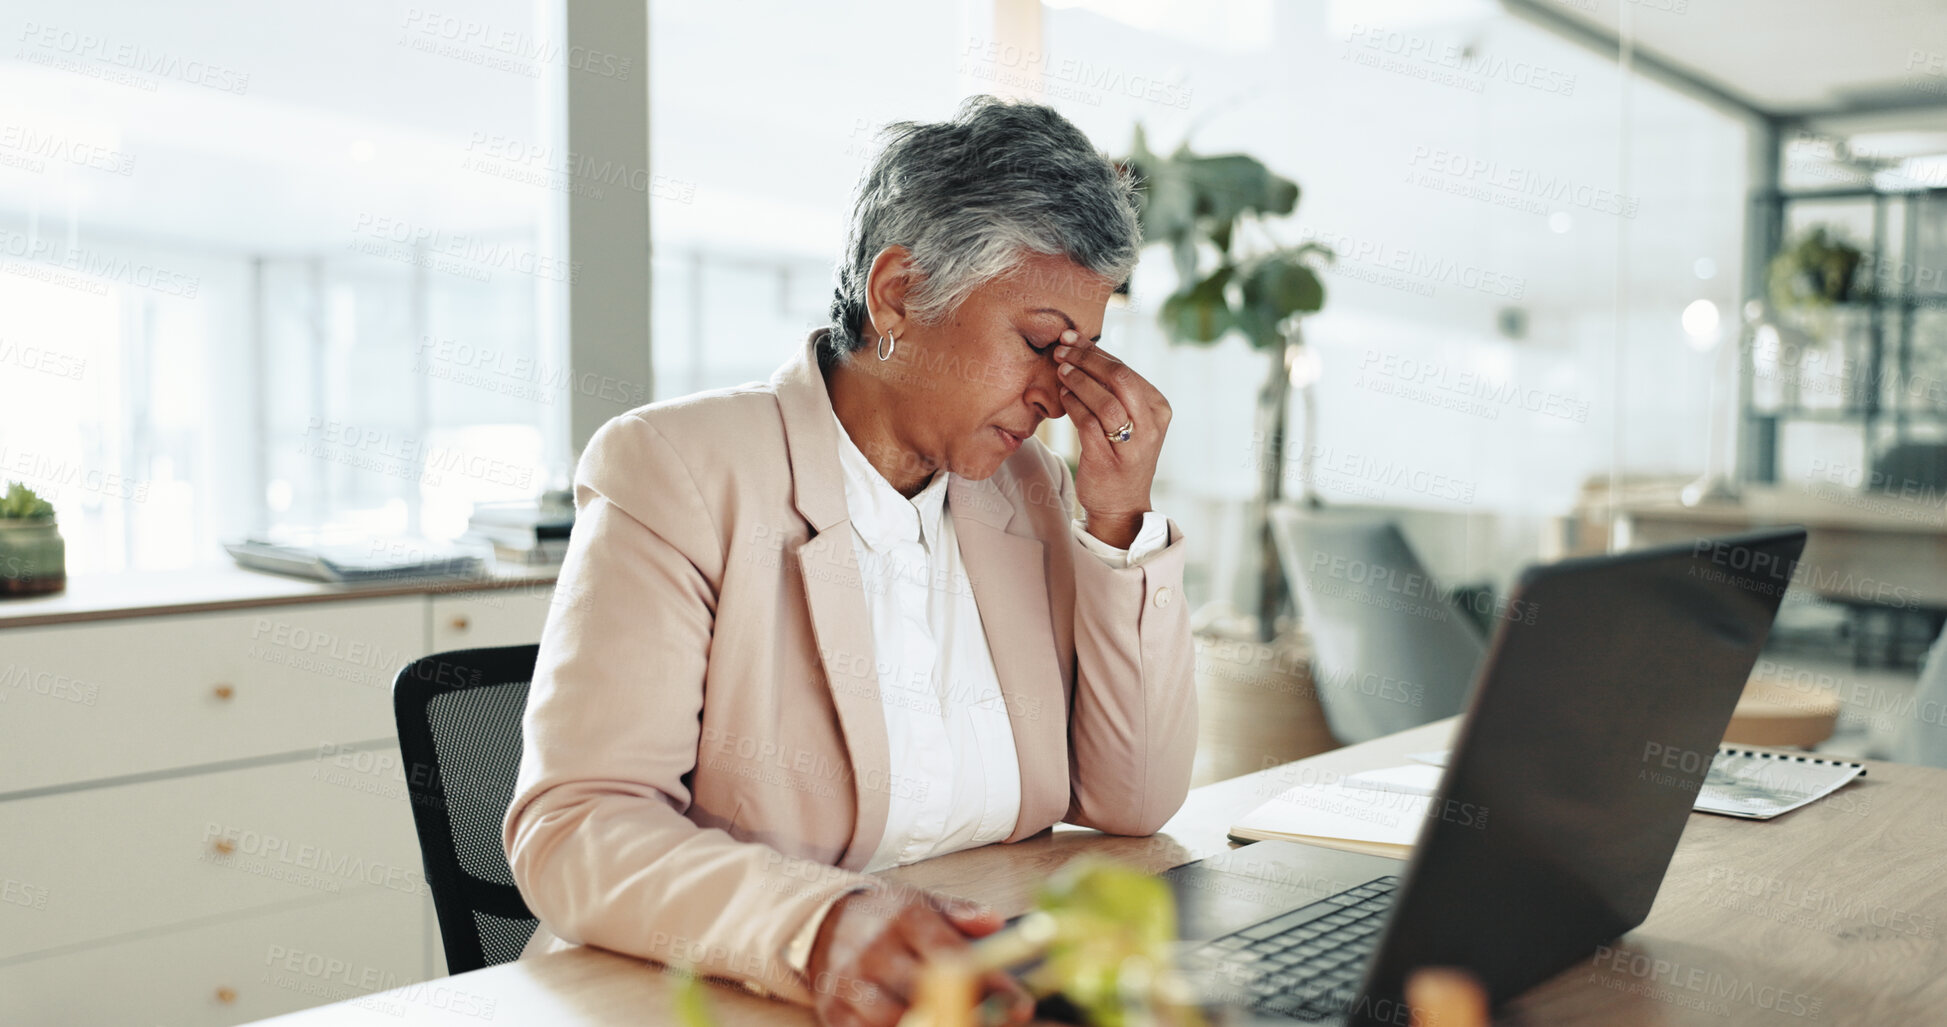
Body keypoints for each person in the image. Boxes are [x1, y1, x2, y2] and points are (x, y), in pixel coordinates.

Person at [503, 96, 1197, 1027]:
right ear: (898, 293)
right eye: (1037, 342)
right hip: (731, 995)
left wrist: (1118, 518)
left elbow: (1133, 799)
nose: (1056, 396)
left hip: (977, 986)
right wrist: (818, 920)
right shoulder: (679, 469)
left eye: (1081, 356)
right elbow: (576, 825)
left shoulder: (1025, 488)